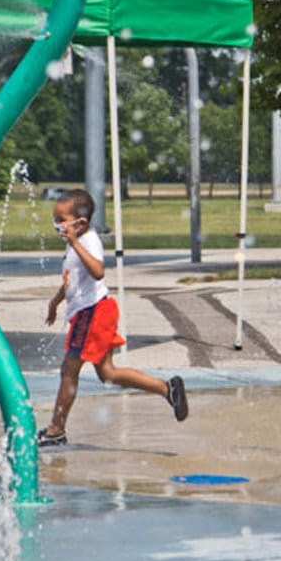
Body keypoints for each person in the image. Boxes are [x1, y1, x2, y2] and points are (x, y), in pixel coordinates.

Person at [36, 189, 188, 447]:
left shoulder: (88, 241)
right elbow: (72, 279)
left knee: (69, 371)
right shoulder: (78, 242)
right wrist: (55, 301)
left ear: (80, 222)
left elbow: (97, 272)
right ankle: (166, 389)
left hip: (92, 312)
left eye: (61, 219)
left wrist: (74, 243)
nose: (57, 225)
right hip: (95, 311)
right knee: (107, 373)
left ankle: (56, 429)